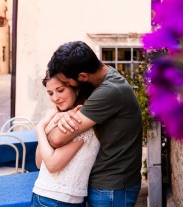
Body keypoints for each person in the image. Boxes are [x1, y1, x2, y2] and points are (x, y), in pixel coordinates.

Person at [46, 41, 143, 207]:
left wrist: (45, 127)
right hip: (111, 185)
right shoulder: (108, 77)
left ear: (83, 76)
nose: (69, 87)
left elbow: (56, 139)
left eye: (68, 83)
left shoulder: (109, 91)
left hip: (111, 189)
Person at [32, 72, 100, 206]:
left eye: (60, 90)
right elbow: (40, 163)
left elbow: (51, 165)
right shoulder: (58, 117)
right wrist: (45, 131)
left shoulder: (78, 120)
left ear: (76, 88)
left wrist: (40, 129)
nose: (55, 98)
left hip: (59, 200)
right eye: (50, 93)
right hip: (48, 197)